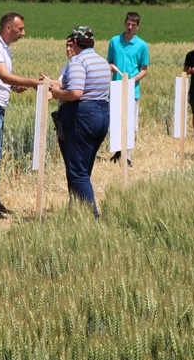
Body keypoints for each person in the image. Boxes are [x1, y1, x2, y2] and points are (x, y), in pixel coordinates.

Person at [0, 12, 40, 218]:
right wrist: (33, 82)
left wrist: (14, 86)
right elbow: (3, 75)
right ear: (8, 28)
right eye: (20, 29)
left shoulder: (4, 47)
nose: (23, 33)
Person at [48, 26, 111, 217]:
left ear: (75, 42)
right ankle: (76, 210)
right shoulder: (101, 61)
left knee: (77, 170)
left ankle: (92, 217)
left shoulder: (77, 61)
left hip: (82, 116)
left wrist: (57, 92)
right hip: (102, 114)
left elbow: (75, 92)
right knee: (84, 167)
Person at [107, 11, 149, 167]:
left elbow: (144, 69)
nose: (130, 27)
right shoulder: (114, 41)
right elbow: (110, 62)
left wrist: (132, 81)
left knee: (129, 123)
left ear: (138, 26)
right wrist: (111, 66)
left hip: (132, 90)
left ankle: (128, 155)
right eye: (128, 24)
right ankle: (118, 151)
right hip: (116, 87)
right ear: (125, 23)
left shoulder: (142, 45)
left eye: (133, 25)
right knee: (116, 121)